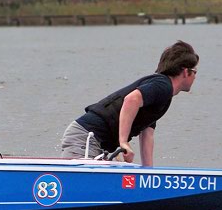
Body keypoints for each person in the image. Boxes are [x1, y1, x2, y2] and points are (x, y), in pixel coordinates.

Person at [61, 40, 199, 166]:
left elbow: (147, 133)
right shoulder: (163, 85)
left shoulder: (164, 95)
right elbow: (131, 100)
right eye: (194, 72)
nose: (195, 76)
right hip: (85, 137)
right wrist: (123, 142)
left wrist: (149, 171)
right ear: (186, 72)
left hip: (99, 144)